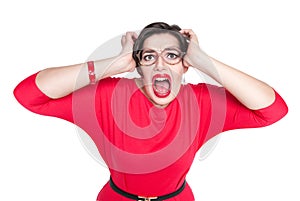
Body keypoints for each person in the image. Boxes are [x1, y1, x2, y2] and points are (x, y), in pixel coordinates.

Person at [14, 22, 288, 201]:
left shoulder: (202, 102)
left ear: (185, 65)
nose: (159, 65)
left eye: (172, 56)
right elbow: (29, 95)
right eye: (148, 57)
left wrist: (206, 62)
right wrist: (113, 63)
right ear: (138, 67)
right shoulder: (107, 96)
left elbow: (273, 110)